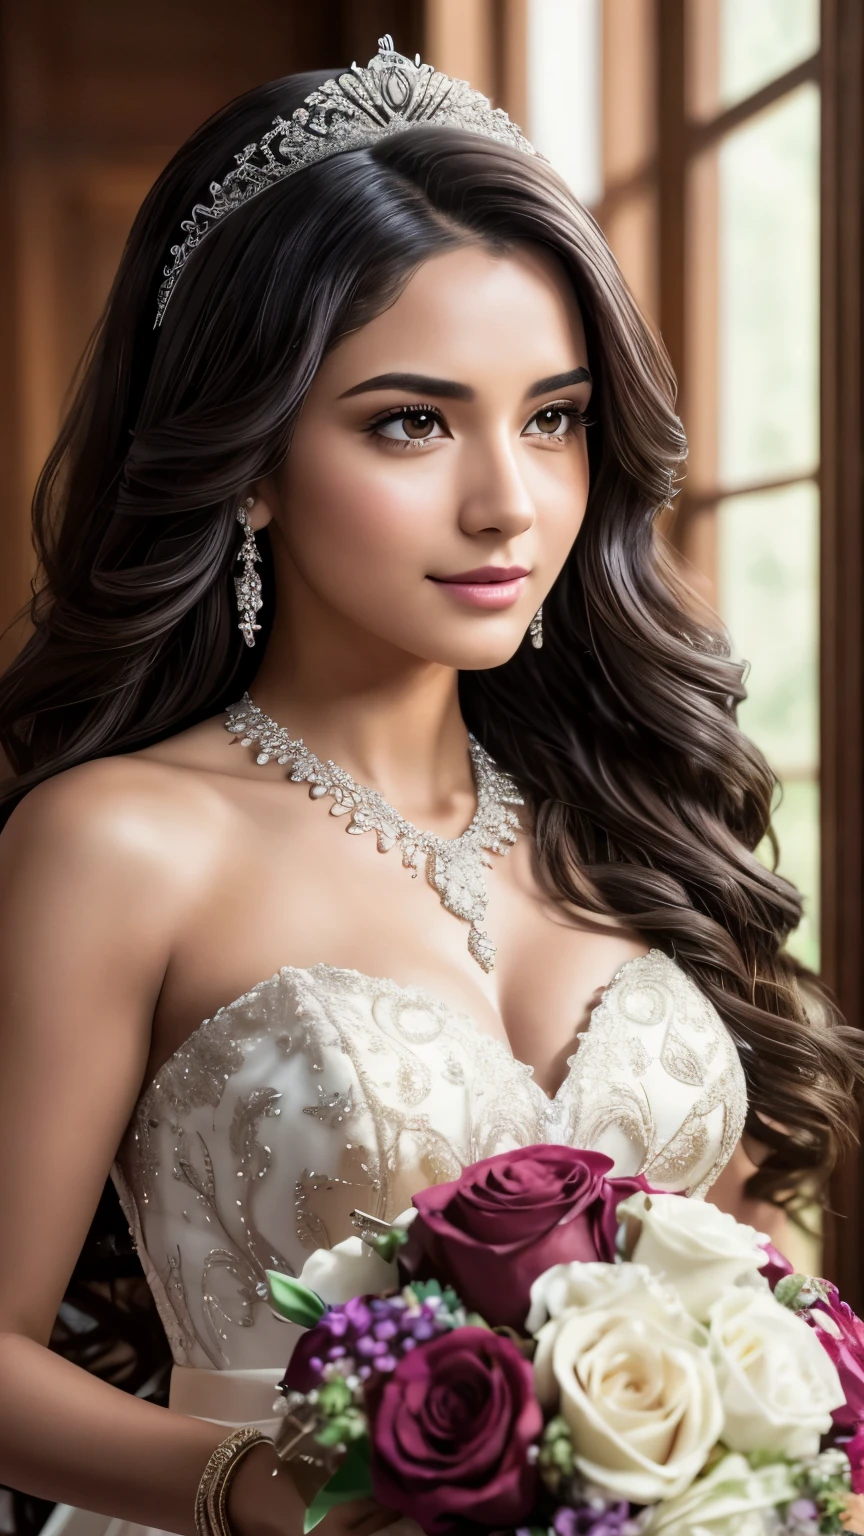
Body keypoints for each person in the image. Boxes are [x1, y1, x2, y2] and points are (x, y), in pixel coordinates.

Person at [0, 35, 860, 1536]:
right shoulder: (120, 843)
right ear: (249, 461)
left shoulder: (634, 812)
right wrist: (265, 1488)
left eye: (553, 416)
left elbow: (761, 1282)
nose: (507, 501)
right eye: (411, 420)